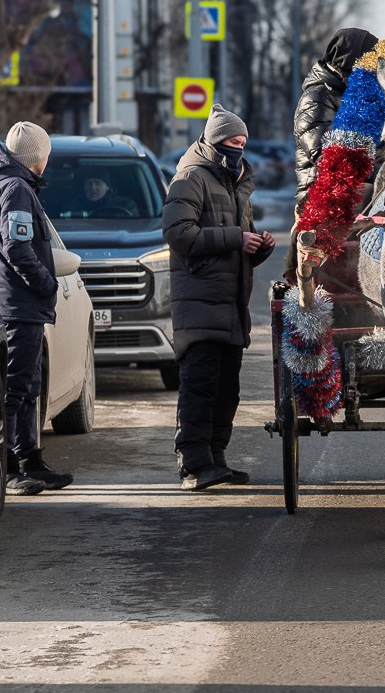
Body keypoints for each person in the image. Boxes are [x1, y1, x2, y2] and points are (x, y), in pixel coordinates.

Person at [162, 103, 276, 491]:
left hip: (229, 305)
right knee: (200, 385)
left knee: (227, 389)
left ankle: (217, 459)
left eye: (243, 142)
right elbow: (179, 235)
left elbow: (238, 238)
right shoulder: (191, 177)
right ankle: (193, 464)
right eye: (232, 141)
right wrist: (234, 238)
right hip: (198, 302)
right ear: (215, 142)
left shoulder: (236, 181)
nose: (239, 149)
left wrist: (259, 245)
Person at [0, 121, 74, 494]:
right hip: (18, 305)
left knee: (27, 385)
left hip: (19, 304)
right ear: (38, 158)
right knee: (16, 390)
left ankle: (30, 459)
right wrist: (46, 284)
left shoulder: (9, 185)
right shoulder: (16, 189)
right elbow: (17, 248)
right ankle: (10, 470)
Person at [285, 27, 380, 284]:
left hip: (361, 190)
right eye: (368, 61)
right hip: (324, 193)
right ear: (351, 61)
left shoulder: (358, 97)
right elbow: (324, 155)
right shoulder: (317, 97)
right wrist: (381, 164)